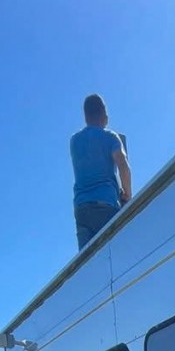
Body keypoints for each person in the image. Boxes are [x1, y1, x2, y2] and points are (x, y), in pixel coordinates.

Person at [70, 93, 132, 251]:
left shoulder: (74, 141)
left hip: (81, 209)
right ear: (105, 114)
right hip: (105, 205)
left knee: (88, 261)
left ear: (85, 116)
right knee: (115, 254)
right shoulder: (111, 137)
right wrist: (127, 195)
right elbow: (122, 164)